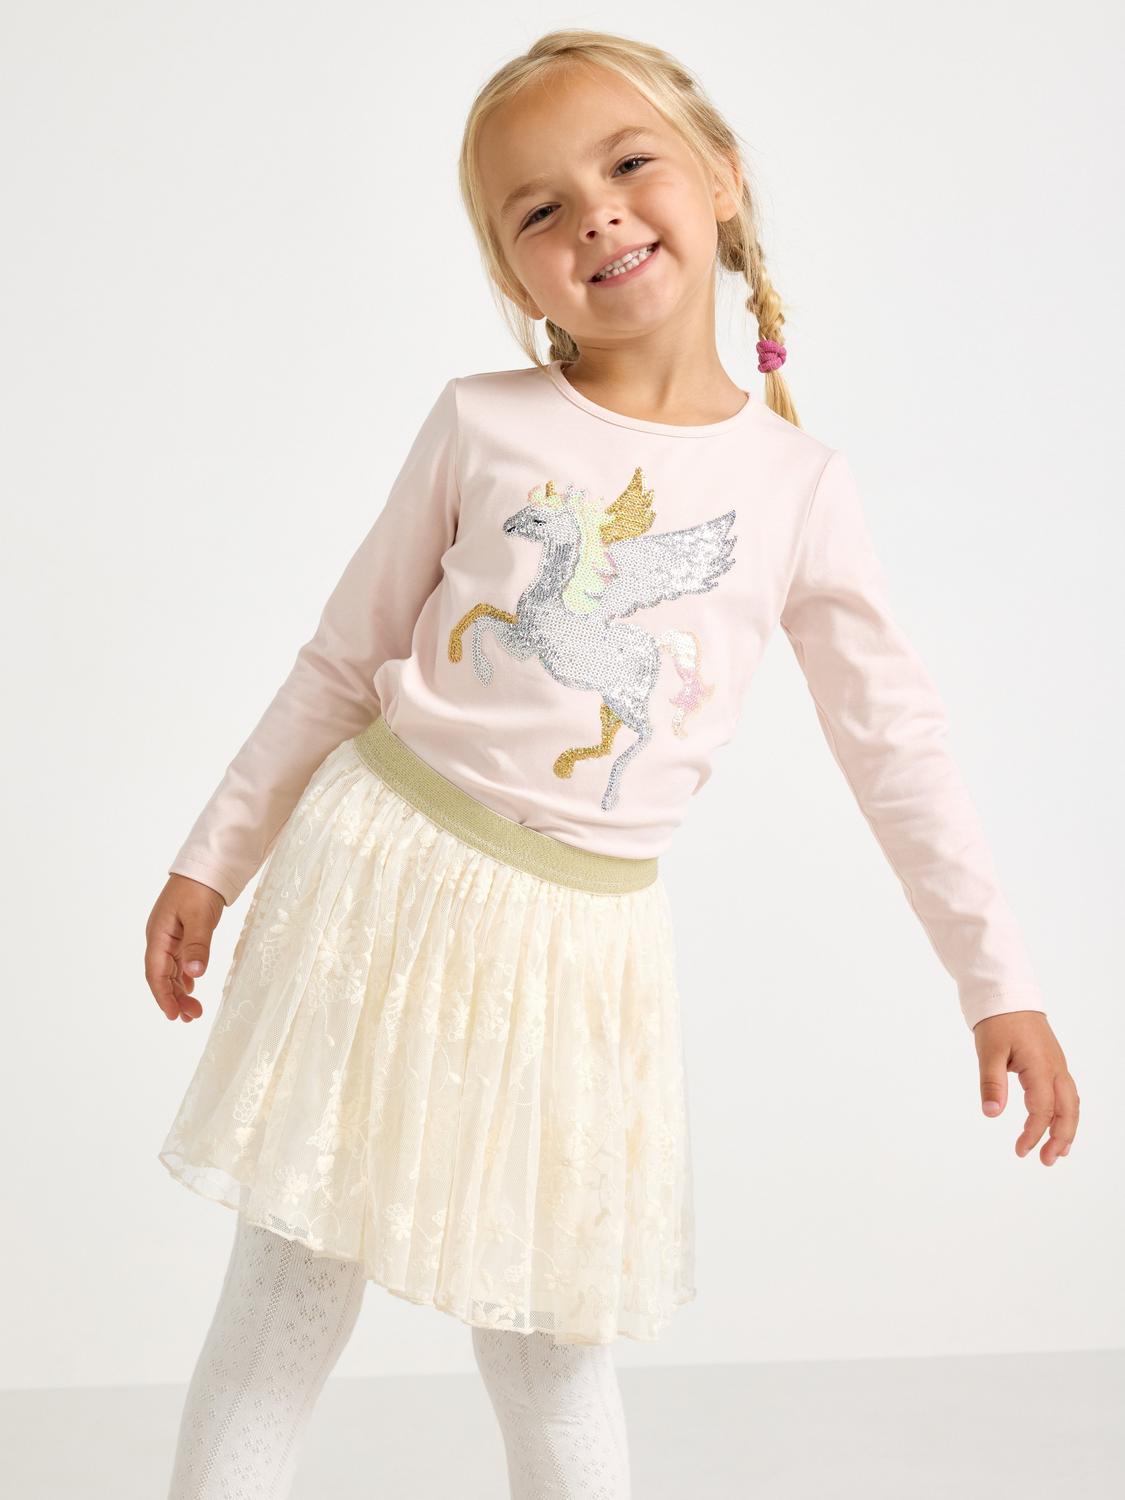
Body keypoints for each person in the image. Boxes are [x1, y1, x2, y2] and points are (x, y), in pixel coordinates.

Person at [145, 28, 1079, 1500]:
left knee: (550, 1342)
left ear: (722, 180)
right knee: (290, 1286)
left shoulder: (794, 490)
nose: (594, 213)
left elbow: (895, 747)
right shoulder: (482, 422)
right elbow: (340, 658)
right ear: (514, 276)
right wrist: (215, 856)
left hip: (581, 956)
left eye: (629, 162)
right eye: (538, 208)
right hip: (379, 884)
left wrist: (996, 981)